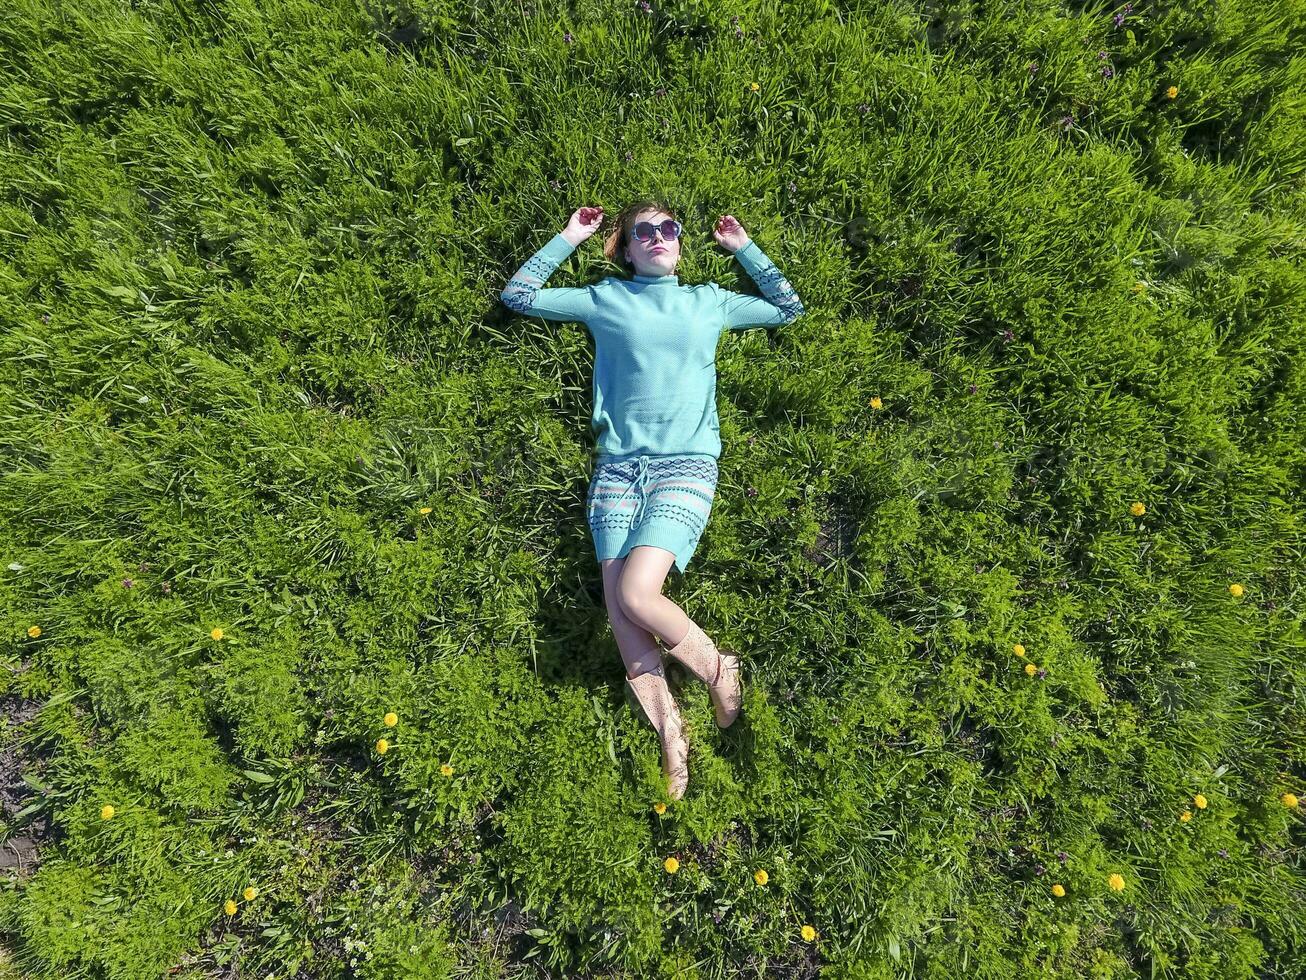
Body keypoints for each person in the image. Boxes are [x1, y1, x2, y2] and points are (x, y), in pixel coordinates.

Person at [500, 199, 805, 799]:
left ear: (680, 244)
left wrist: (745, 249)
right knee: (619, 607)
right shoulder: (604, 299)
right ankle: (670, 729)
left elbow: (786, 308)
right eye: (645, 232)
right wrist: (568, 237)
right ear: (627, 248)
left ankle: (718, 667)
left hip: (686, 464)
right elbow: (519, 295)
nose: (659, 237)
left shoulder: (708, 301)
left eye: (669, 229)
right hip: (616, 468)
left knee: (640, 593)